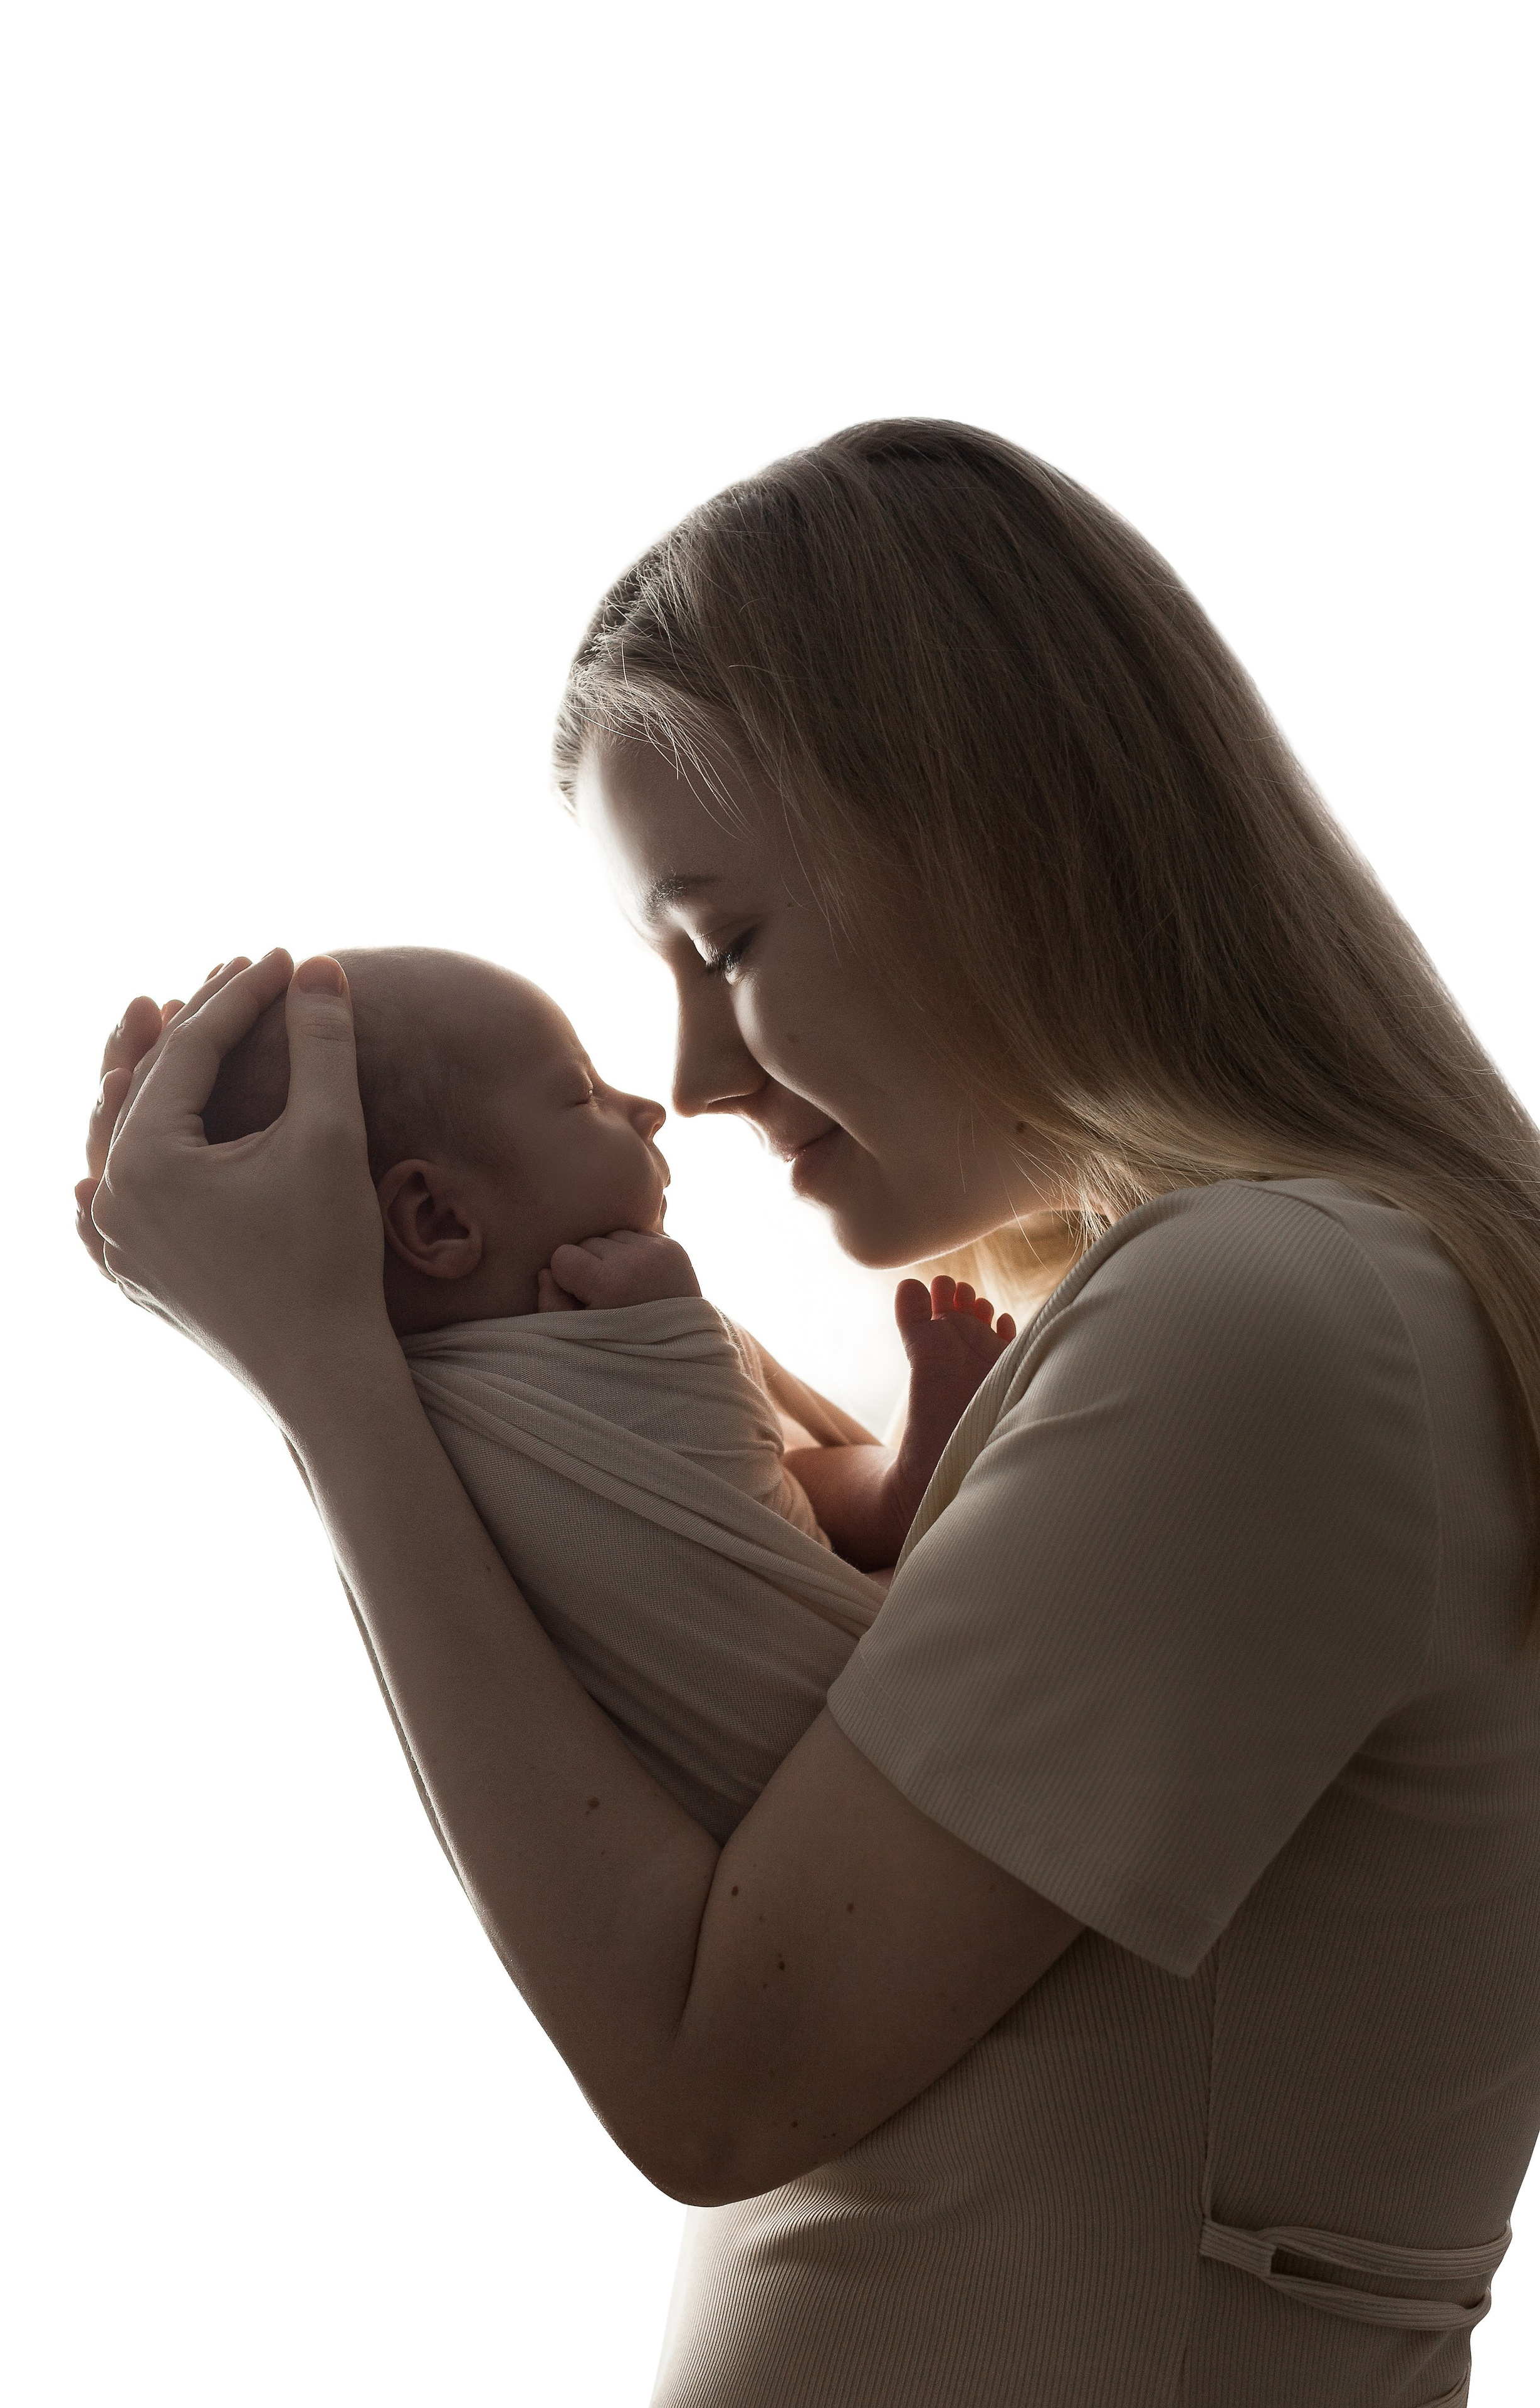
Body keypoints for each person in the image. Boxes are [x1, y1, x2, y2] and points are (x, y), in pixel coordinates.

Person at [77, 420, 1540, 2408]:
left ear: (1004, 841)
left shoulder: (1265, 1318)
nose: (688, 1075)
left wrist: (332, 1374)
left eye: (727, 942)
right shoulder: (1228, 1316)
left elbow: (716, 2071)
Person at [200, 941, 1010, 1838]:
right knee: (945, 1575)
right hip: (843, 1770)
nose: (650, 1109)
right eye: (584, 1093)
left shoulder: (380, 1431)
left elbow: (744, 1502)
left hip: (731, 1822)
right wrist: (668, 1332)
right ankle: (904, 1490)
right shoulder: (550, 1369)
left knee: (782, 1480)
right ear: (436, 1218)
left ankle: (899, 1487)